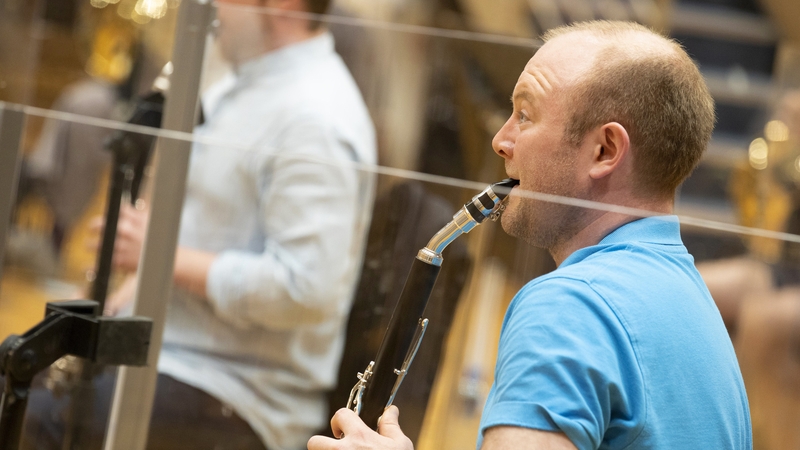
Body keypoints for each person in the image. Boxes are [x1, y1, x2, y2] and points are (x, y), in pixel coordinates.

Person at [308, 20, 751, 450]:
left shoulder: (570, 307)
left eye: (525, 114)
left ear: (605, 150)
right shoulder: (696, 307)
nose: (501, 140)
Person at [22, 1, 376, 449]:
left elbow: (307, 290)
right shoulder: (240, 80)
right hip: (171, 357)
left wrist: (163, 255)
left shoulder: (317, 120)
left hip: (236, 396)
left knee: (41, 418)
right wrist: (109, 305)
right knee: (17, 370)